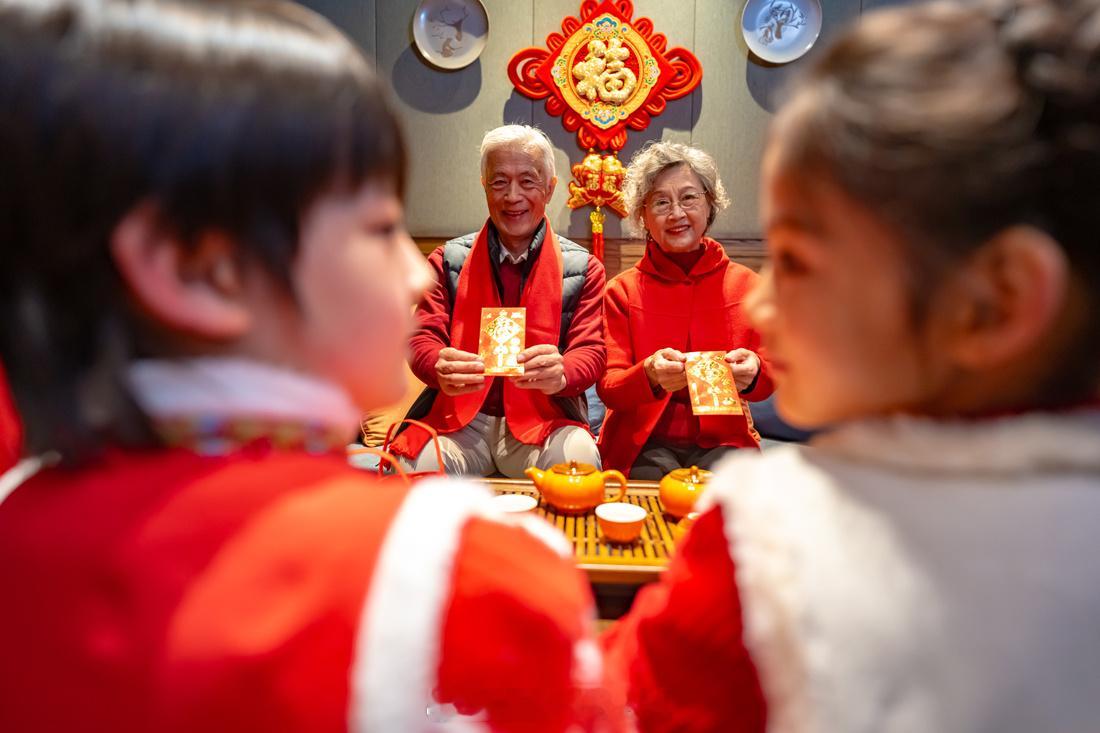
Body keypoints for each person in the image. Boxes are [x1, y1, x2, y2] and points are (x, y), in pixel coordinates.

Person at [0, 2, 620, 730]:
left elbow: (594, 358)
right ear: (203, 270)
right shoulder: (465, 575)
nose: (415, 276)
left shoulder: (18, 511)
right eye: (381, 227)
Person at [603, 1, 1100, 730]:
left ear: (998, 301)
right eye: (661, 202)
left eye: (798, 261)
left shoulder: (766, 544)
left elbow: (619, 701)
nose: (766, 305)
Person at [390, 125, 606, 477]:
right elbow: (422, 338)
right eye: (499, 182)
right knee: (416, 469)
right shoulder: (448, 259)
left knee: (578, 462)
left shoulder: (583, 268)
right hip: (461, 421)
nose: (512, 196)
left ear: (550, 188)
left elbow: (592, 352)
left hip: (544, 420)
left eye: (528, 181)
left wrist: (562, 372)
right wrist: (437, 365)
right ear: (484, 186)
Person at [596, 142, 774, 478]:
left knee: (730, 500)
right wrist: (648, 373)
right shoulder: (622, 291)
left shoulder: (748, 287)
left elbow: (773, 376)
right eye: (661, 202)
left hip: (725, 441)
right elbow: (609, 388)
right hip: (642, 442)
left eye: (689, 198)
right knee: (653, 500)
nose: (677, 213)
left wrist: (755, 372)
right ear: (642, 216)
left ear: (710, 203)